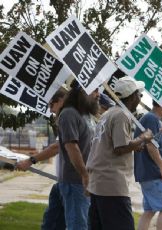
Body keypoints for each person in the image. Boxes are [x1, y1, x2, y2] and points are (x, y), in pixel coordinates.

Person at [86, 76, 153, 230]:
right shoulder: (121, 115)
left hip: (99, 183)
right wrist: (143, 138)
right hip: (112, 185)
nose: (140, 98)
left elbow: (112, 146)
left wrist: (134, 145)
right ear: (132, 96)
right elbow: (120, 148)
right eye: (139, 94)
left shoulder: (108, 114)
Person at [16, 87, 68, 230]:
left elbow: (56, 147)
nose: (51, 110)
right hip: (62, 182)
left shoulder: (69, 118)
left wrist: (30, 160)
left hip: (72, 184)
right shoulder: (66, 119)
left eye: (52, 105)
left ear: (61, 101)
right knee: (51, 223)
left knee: (74, 223)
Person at [57, 81, 100, 230]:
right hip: (76, 181)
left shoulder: (85, 115)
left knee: (86, 224)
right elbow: (72, 147)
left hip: (87, 180)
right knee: (78, 226)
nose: (98, 94)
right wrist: (85, 174)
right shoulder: (69, 113)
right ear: (82, 91)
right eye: (94, 90)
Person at [135, 99, 162, 230]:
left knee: (149, 210)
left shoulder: (152, 119)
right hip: (152, 172)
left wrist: (161, 132)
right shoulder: (151, 118)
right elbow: (151, 146)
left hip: (145, 172)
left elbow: (150, 141)